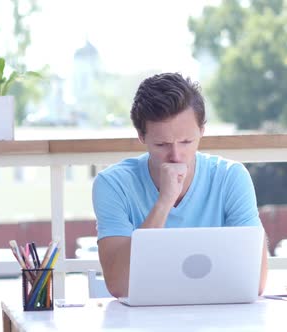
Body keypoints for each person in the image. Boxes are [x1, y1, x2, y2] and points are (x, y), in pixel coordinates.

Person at [92, 72, 268, 298]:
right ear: (141, 137)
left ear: (202, 131)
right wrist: (164, 202)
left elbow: (256, 282)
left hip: (217, 315)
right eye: (161, 144)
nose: (176, 156)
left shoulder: (230, 177)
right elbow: (119, 285)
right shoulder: (113, 184)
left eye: (186, 142)